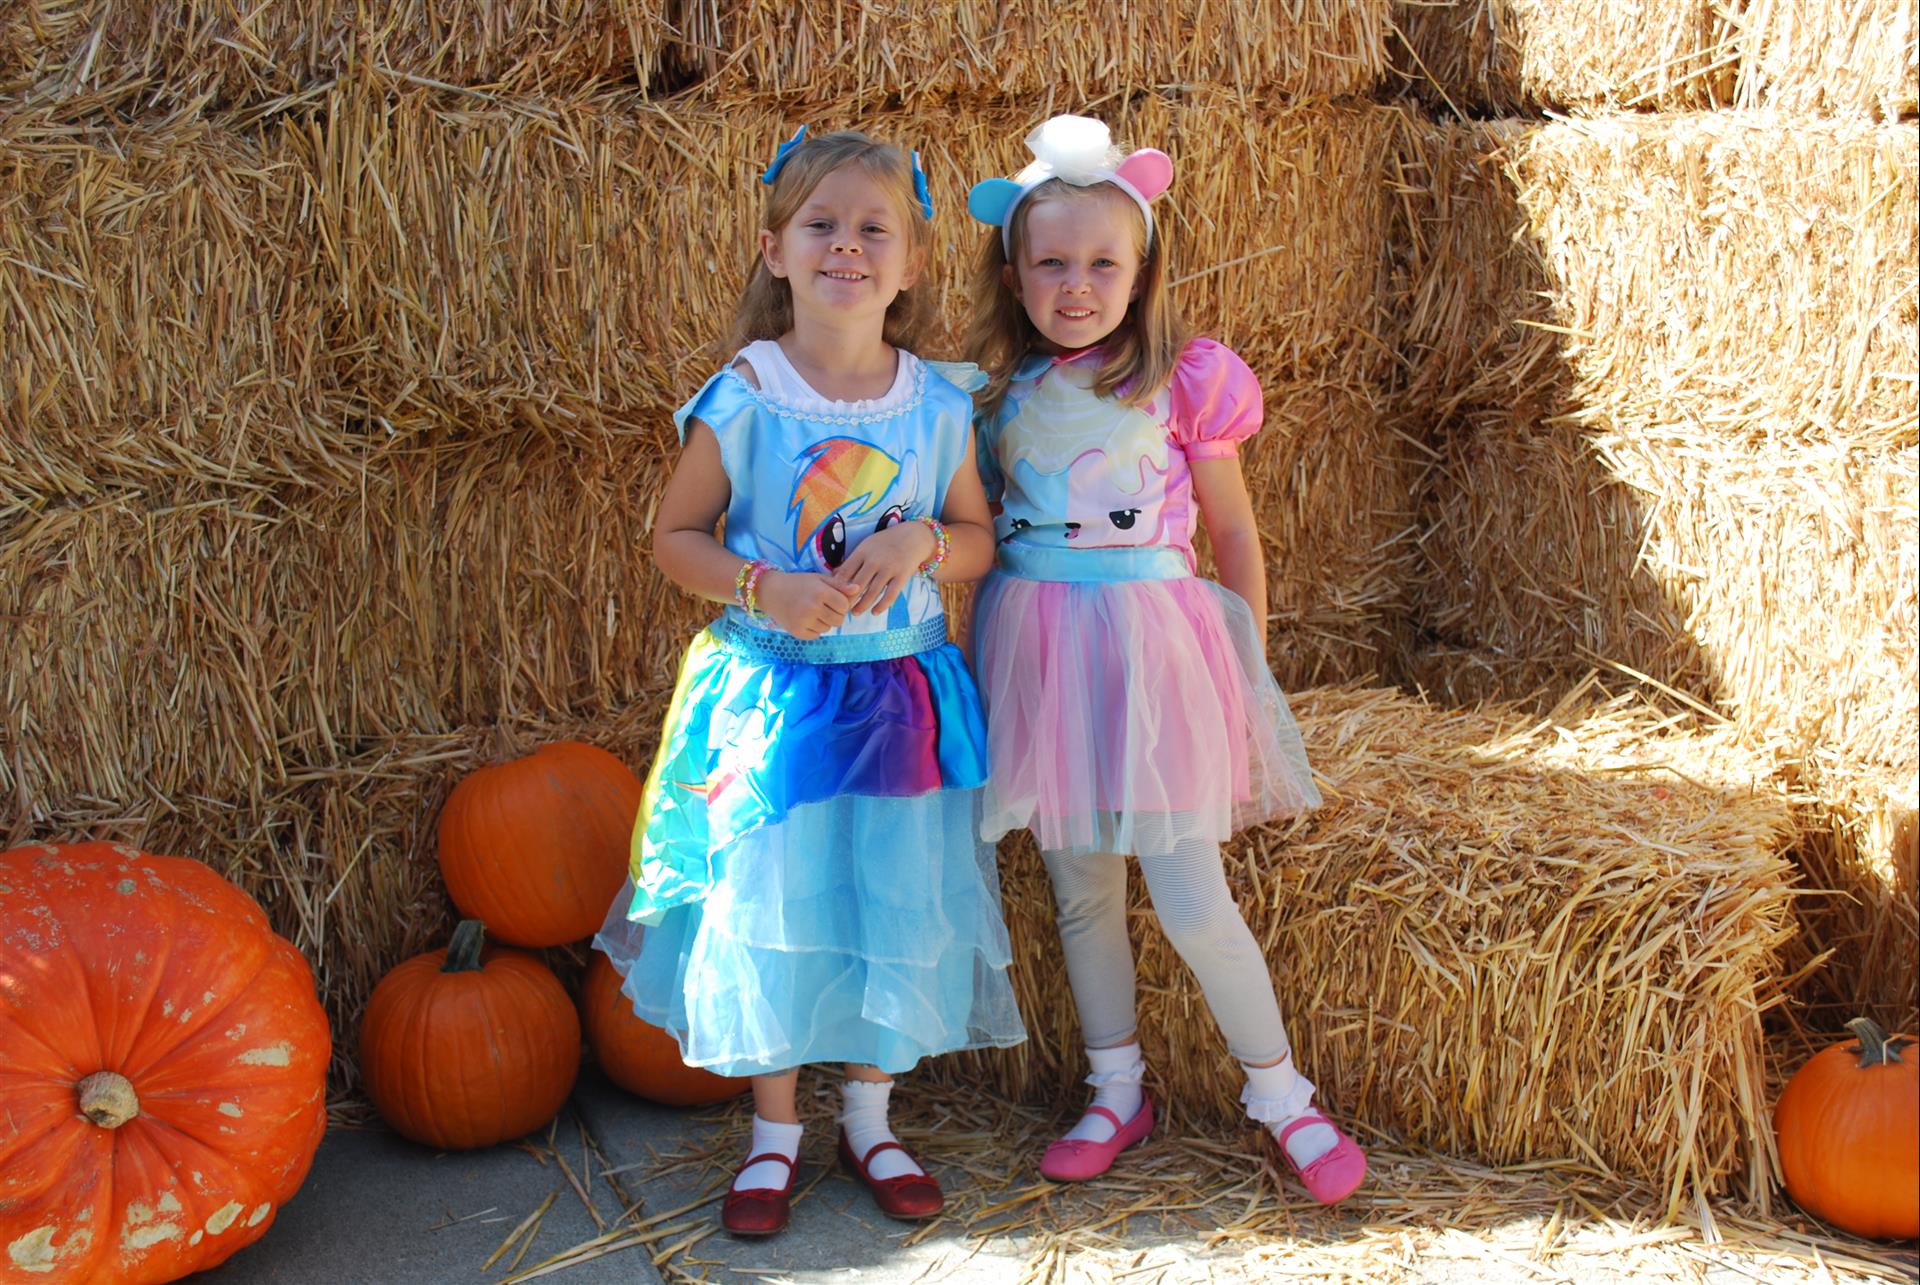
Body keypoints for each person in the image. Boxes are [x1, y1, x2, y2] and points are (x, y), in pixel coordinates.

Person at [596, 125, 1024, 1238]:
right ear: (776, 251)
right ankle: (776, 1131)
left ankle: (873, 1119)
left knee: (892, 899)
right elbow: (672, 538)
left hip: (899, 697)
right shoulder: (747, 393)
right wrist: (759, 585)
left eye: (873, 228)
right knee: (772, 906)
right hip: (778, 698)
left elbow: (982, 539)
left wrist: (927, 538)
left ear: (913, 263)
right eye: (822, 225)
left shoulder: (936, 403)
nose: (848, 246)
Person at [961, 115, 1365, 1203]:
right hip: (1042, 657)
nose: (1076, 283)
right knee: (1080, 888)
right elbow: (980, 536)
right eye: (1051, 262)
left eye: (1103, 262)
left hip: (1157, 651)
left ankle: (1281, 1093)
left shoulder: (1183, 379)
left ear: (1142, 273)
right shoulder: (991, 397)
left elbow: (1232, 535)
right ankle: (1114, 1085)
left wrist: (1247, 657)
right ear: (1014, 271)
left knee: (1192, 895)